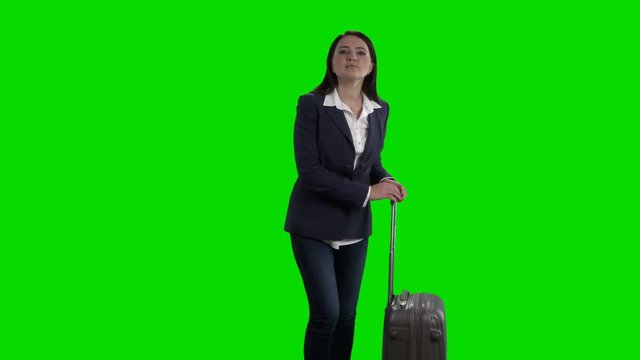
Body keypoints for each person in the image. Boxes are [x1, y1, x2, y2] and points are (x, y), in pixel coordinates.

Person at [284, 31, 407, 360]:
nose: (352, 57)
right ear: (332, 62)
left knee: (348, 317)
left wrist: (387, 179)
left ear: (371, 66)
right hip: (312, 225)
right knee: (327, 313)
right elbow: (309, 171)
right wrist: (369, 191)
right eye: (343, 52)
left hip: (354, 229)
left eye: (360, 53)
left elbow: (371, 160)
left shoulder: (380, 109)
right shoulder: (312, 105)